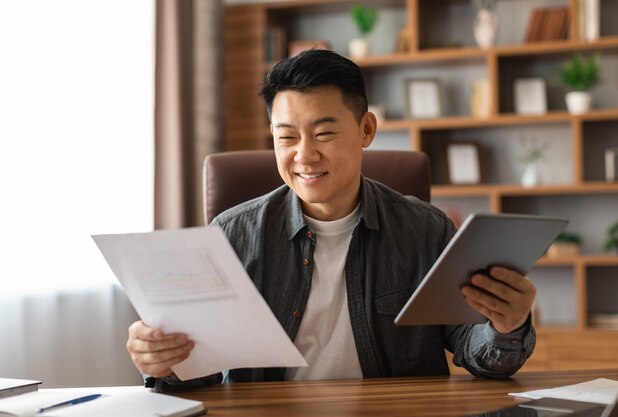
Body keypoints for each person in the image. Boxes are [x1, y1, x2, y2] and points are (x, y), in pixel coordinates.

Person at [127, 49, 536, 392]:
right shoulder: (232, 236)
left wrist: (507, 325)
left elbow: (480, 356)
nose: (304, 156)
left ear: (366, 129)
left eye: (323, 134)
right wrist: (162, 361)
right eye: (286, 137)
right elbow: (202, 371)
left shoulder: (427, 230)